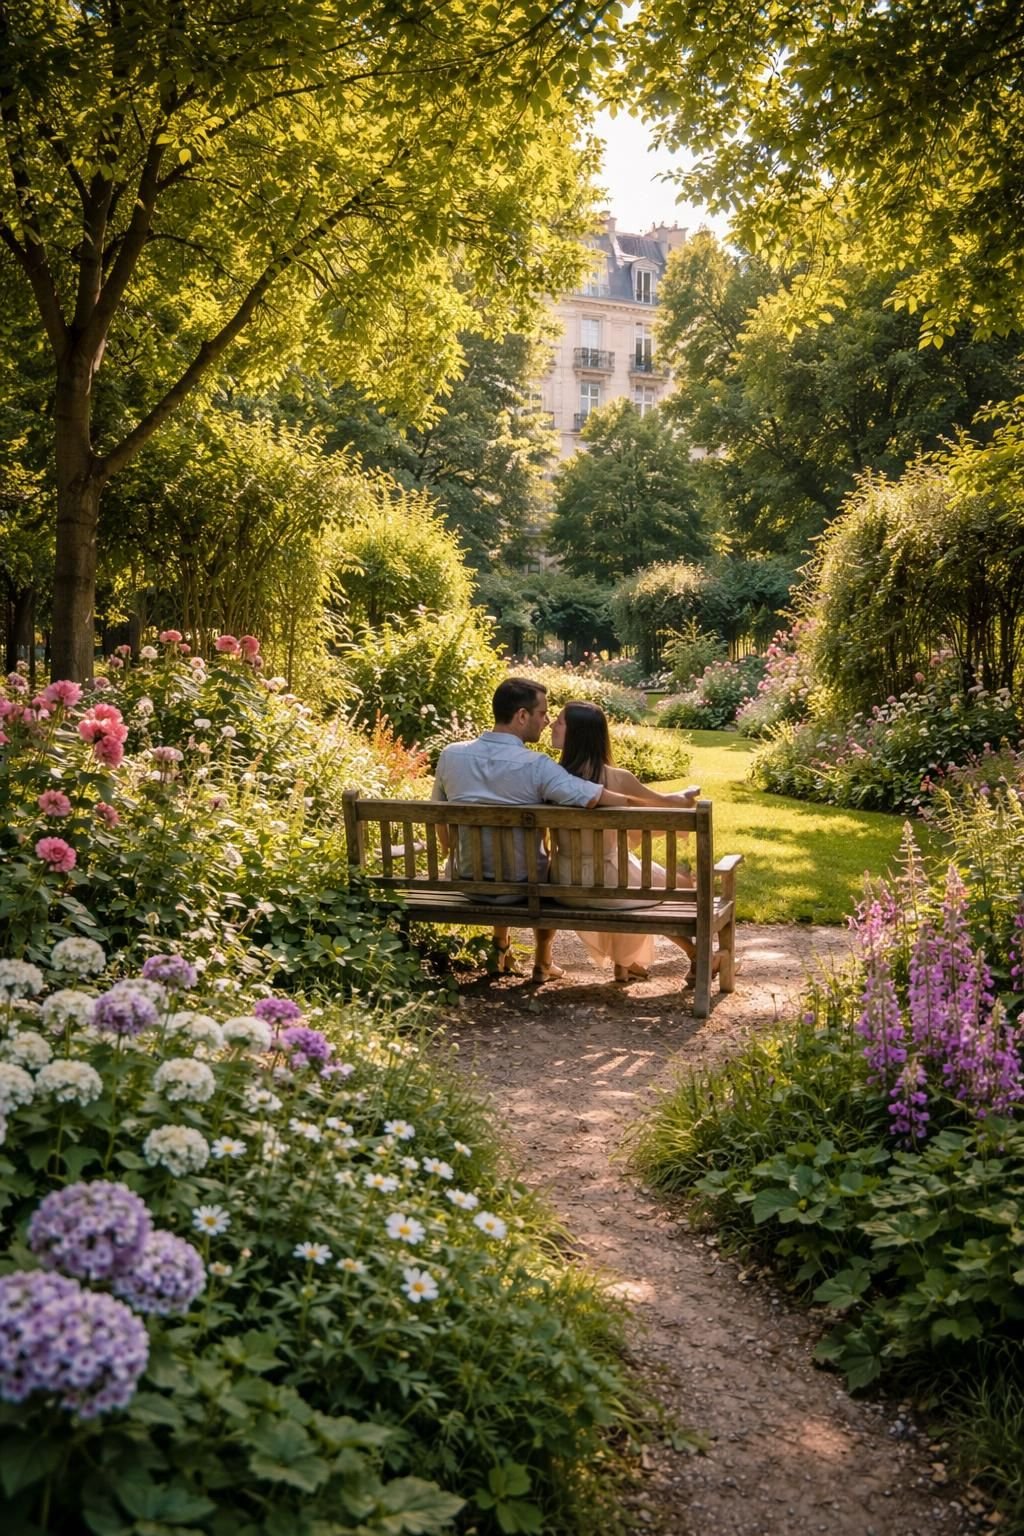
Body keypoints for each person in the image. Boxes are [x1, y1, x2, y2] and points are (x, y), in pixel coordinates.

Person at [431, 678, 642, 981]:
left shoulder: (451, 755)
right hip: (523, 887)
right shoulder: (537, 766)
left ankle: (500, 947)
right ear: (521, 716)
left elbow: (439, 815)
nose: (546, 722)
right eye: (542, 714)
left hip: (467, 881)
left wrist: (451, 853)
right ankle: (542, 961)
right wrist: (643, 801)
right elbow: (591, 794)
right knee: (548, 867)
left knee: (513, 857)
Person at [549, 700, 707, 984]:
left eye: (559, 722)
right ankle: (697, 955)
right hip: (610, 884)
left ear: (576, 734)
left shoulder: (549, 778)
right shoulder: (619, 779)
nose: (551, 724)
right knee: (656, 883)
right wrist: (683, 796)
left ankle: (625, 964)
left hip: (564, 884)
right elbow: (662, 806)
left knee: (629, 877)